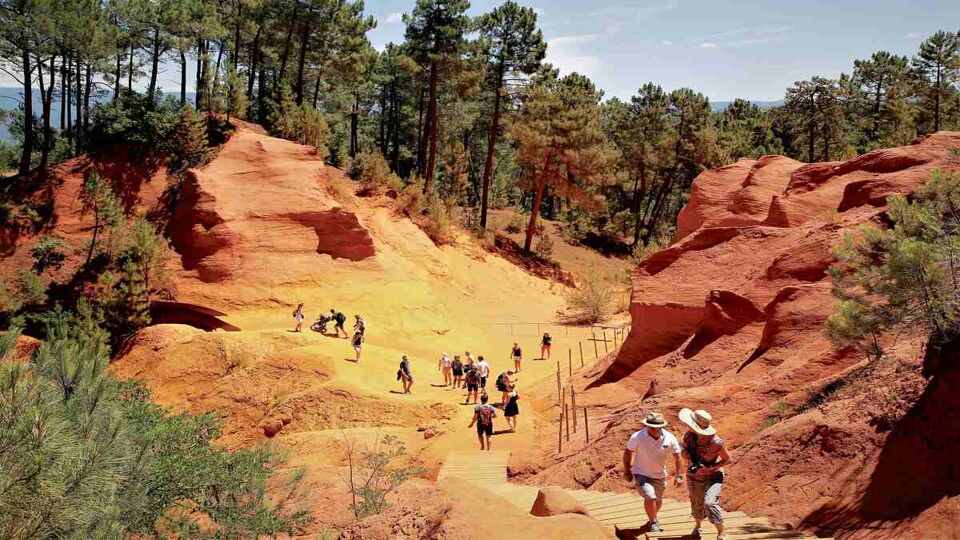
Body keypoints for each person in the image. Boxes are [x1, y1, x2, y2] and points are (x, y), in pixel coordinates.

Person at [622, 411, 683, 533]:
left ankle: (652, 518)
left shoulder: (670, 438)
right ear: (647, 425)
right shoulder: (637, 437)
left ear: (661, 426)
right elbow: (628, 452)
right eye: (651, 426)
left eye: (656, 427)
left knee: (658, 500)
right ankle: (654, 522)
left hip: (660, 475)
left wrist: (679, 475)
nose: (653, 429)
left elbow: (677, 456)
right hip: (641, 473)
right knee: (650, 497)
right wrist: (627, 470)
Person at [679, 408, 732, 540]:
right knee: (697, 503)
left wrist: (712, 467)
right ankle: (698, 527)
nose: (687, 426)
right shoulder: (689, 436)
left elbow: (728, 459)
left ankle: (722, 532)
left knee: (709, 503)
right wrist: (684, 454)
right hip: (694, 476)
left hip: (713, 476)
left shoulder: (716, 442)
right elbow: (685, 450)